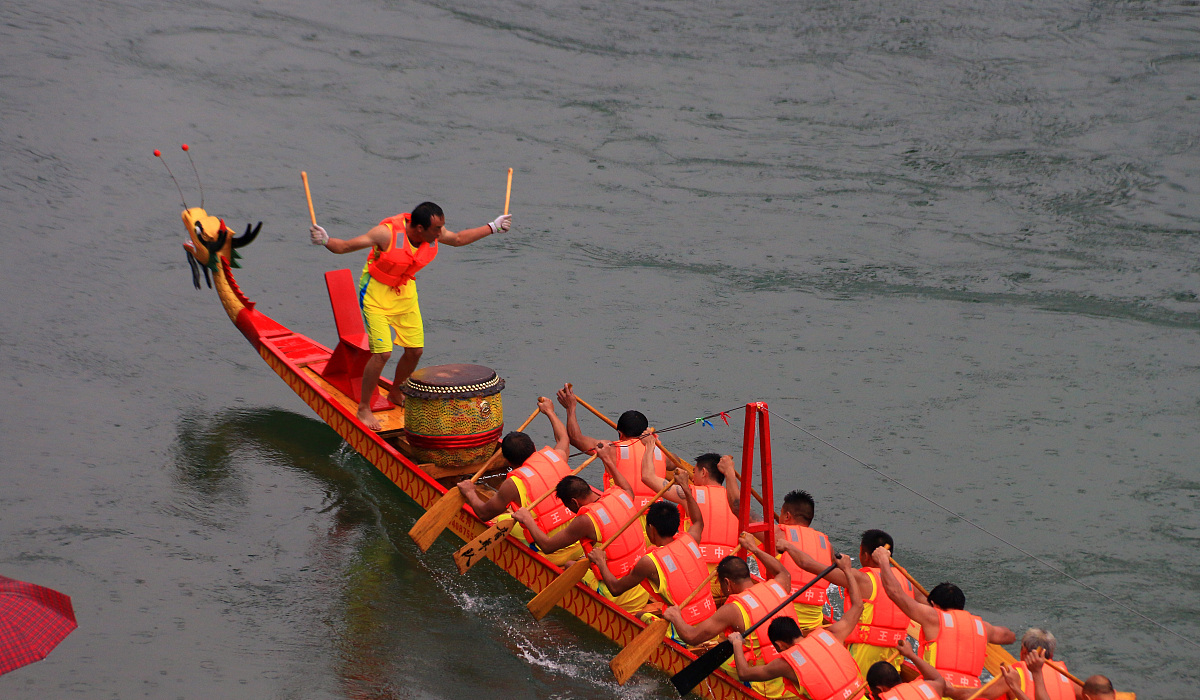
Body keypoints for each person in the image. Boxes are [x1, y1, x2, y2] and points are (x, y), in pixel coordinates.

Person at [310, 202, 511, 429]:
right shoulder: (386, 234)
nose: (440, 233)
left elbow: (458, 239)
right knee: (382, 354)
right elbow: (345, 247)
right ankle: (364, 408)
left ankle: (396, 392)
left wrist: (493, 227)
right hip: (376, 294)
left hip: (404, 293)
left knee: (415, 350)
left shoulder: (432, 234)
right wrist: (325, 241)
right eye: (436, 229)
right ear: (418, 229)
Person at [512, 441, 651, 614]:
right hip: (643, 588)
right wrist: (606, 459)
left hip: (619, 596)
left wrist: (528, 519)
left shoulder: (585, 520)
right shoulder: (623, 495)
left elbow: (547, 546)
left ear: (574, 502)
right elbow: (626, 485)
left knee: (570, 565)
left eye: (568, 506)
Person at [663, 535, 796, 697]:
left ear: (727, 582)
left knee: (707, 657)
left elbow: (691, 637)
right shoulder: (779, 586)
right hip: (790, 675)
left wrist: (676, 616)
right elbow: (783, 571)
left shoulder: (733, 609)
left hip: (762, 685)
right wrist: (754, 549)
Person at [870, 548, 1016, 696]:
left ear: (934, 605)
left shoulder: (933, 617)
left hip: (939, 691)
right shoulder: (983, 627)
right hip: (971, 694)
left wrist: (883, 560)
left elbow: (895, 593)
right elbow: (1008, 636)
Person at [456, 397, 582, 566]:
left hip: (550, 553)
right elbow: (563, 438)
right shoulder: (557, 456)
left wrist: (470, 492)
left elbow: (484, 513)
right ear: (535, 447)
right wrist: (550, 411)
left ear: (508, 462)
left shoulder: (513, 483)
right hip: (580, 543)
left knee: (498, 521)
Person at [587, 468, 716, 634]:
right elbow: (698, 521)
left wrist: (600, 562)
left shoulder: (648, 562)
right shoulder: (691, 539)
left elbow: (615, 588)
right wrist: (685, 487)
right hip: (709, 624)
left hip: (682, 632)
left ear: (651, 529)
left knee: (640, 615)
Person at [724, 552, 864, 700]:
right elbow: (858, 606)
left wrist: (737, 643)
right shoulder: (834, 634)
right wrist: (847, 570)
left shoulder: (784, 664)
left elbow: (744, 673)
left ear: (779, 645)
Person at [786, 529, 917, 676]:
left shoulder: (861, 579)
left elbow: (807, 563)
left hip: (862, 660)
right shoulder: (906, 582)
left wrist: (788, 545)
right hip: (892, 662)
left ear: (865, 555)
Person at [556, 383, 667, 509]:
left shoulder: (612, 449)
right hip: (655, 516)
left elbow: (575, 438)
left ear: (620, 433)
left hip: (625, 513)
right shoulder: (660, 451)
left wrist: (571, 407)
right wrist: (655, 442)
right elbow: (674, 464)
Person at [639, 437, 741, 572]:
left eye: (694, 472)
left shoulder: (690, 494)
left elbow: (647, 477)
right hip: (729, 570)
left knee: (641, 541)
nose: (693, 478)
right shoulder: (737, 502)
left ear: (703, 472)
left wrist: (650, 446)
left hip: (698, 569)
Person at [773, 490, 835, 631]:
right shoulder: (826, 544)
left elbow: (739, 509)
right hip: (813, 626)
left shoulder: (779, 534)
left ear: (787, 515)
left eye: (781, 514)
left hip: (780, 623)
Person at [976, 629, 1079, 700]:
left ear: (1024, 652)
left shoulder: (1014, 676)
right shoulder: (1068, 679)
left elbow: (975, 695)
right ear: (1051, 654)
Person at [865, 639, 949, 700]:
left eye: (874, 693)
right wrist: (911, 655)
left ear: (881, 689)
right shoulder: (925, 688)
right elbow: (937, 679)